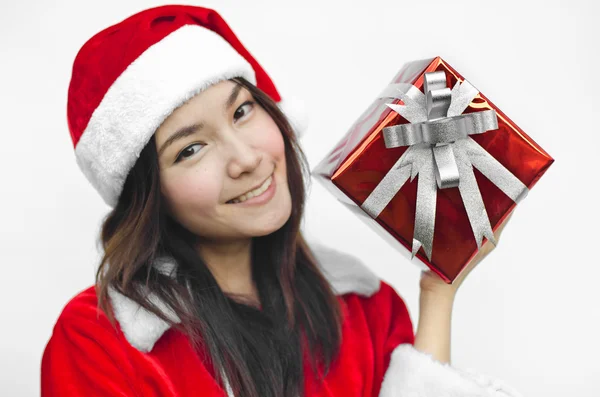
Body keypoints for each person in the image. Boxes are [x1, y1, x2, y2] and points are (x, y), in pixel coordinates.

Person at [41, 4, 522, 397]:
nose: (245, 158)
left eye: (243, 111)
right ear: (150, 197)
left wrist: (438, 293)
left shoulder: (364, 309)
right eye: (191, 149)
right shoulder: (99, 342)